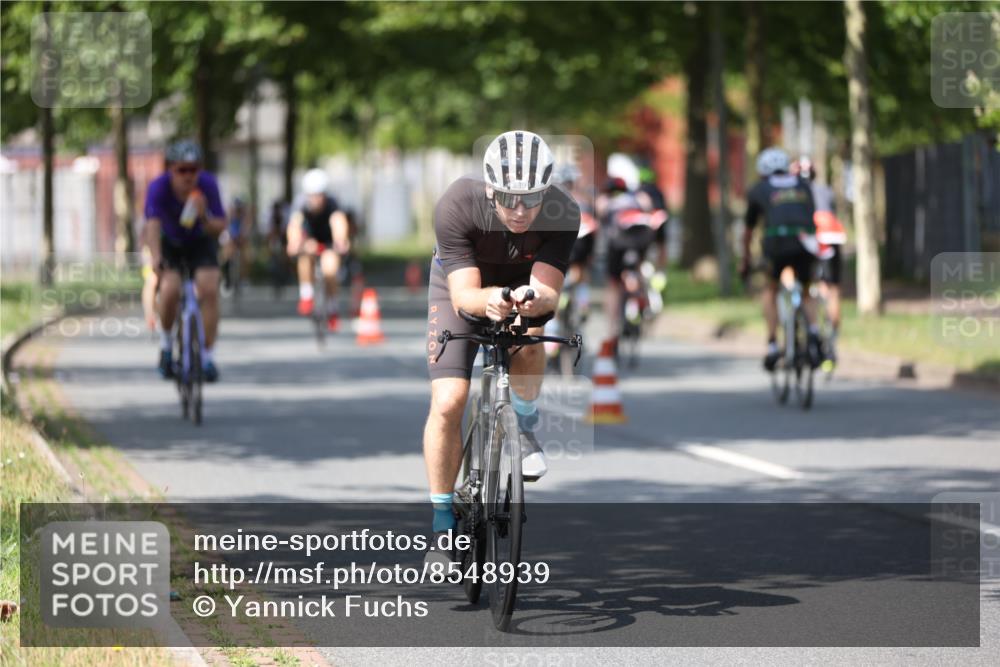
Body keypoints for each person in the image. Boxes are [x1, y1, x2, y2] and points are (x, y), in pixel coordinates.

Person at [423, 130, 579, 564]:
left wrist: (530, 301)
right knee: (450, 399)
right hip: (462, 286)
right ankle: (441, 525)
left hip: (521, 285)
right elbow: (464, 296)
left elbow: (549, 294)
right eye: (508, 199)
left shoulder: (563, 211)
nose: (520, 210)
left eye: (532, 199)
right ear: (490, 189)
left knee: (530, 341)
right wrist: (490, 300)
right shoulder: (458, 203)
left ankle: (523, 428)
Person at [144, 140, 227, 382]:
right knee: (169, 289)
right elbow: (152, 225)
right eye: (182, 170)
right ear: (171, 169)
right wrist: (156, 258)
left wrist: (203, 216)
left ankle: (208, 357)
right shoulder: (158, 188)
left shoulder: (208, 185)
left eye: (194, 169)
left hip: (200, 242)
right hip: (170, 243)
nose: (188, 176)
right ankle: (167, 346)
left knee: (209, 289)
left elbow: (220, 225)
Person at [740, 147, 823, 371]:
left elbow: (748, 231)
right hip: (805, 242)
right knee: (807, 289)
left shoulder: (759, 189)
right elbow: (811, 216)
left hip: (776, 243)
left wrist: (745, 259)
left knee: (771, 289)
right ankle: (813, 330)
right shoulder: (803, 185)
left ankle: (772, 344)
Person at [596, 175, 668, 346]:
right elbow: (650, 211)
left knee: (613, 284)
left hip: (618, 241)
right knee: (636, 268)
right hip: (641, 236)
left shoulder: (605, 200)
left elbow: (600, 222)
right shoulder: (639, 198)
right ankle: (641, 301)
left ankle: (612, 329)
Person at [794, 156, 846, 367]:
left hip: (811, 237)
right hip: (833, 236)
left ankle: (814, 331)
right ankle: (832, 340)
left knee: (807, 287)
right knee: (831, 290)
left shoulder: (794, 194)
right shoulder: (826, 191)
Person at [285, 169, 351, 331]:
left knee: (330, 268)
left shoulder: (332, 203)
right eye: (313, 195)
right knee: (304, 257)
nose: (316, 199)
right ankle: (306, 294)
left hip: (328, 242)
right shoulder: (300, 204)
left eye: (319, 195)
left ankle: (332, 307)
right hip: (309, 242)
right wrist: (293, 242)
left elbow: (338, 221)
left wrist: (341, 241)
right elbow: (294, 225)